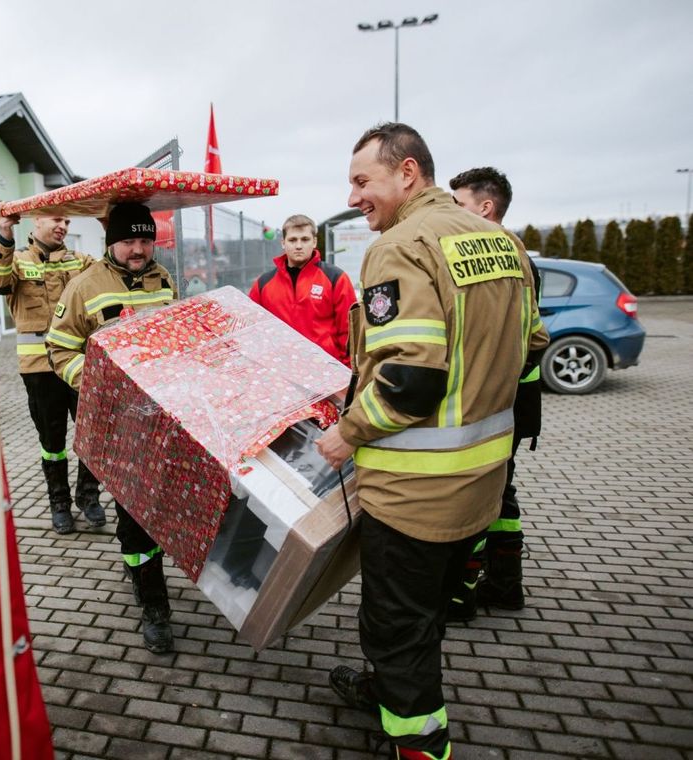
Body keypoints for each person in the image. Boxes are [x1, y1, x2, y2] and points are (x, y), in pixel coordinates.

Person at [315, 123, 548, 759]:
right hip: (481, 486)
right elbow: (531, 342)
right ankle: (387, 691)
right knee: (426, 615)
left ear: (408, 172)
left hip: (414, 497)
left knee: (396, 629)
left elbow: (409, 381)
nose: (353, 197)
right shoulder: (502, 243)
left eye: (362, 181)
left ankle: (420, 743)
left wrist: (345, 435)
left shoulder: (399, 246)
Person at [46, 202, 178, 654]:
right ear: (111, 242)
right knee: (134, 515)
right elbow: (59, 350)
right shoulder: (84, 286)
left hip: (158, 421)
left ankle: (139, 568)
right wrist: (100, 382)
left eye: (145, 240)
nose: (138, 249)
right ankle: (155, 608)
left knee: (151, 512)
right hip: (115, 422)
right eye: (129, 241)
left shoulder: (164, 280)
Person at [448, 166, 543, 620]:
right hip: (516, 401)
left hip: (496, 401)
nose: (451, 213)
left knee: (477, 497)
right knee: (502, 492)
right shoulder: (515, 255)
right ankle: (505, 584)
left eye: (459, 204)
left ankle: (459, 594)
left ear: (486, 208)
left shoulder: (498, 258)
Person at [0, 208, 104, 535]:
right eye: (56, 219)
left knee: (92, 436)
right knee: (52, 442)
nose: (63, 226)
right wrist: (4, 233)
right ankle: (59, 503)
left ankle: (88, 497)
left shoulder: (80, 261)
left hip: (77, 365)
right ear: (36, 220)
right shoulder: (18, 260)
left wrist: (109, 227)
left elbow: (109, 273)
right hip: (38, 369)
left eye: (66, 221)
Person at [248, 214, 356, 365]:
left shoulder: (335, 278)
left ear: (314, 242)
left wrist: (347, 371)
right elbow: (251, 330)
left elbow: (349, 331)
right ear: (283, 243)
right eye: (292, 240)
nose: (298, 246)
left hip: (326, 370)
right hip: (281, 370)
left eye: (305, 239)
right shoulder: (263, 284)